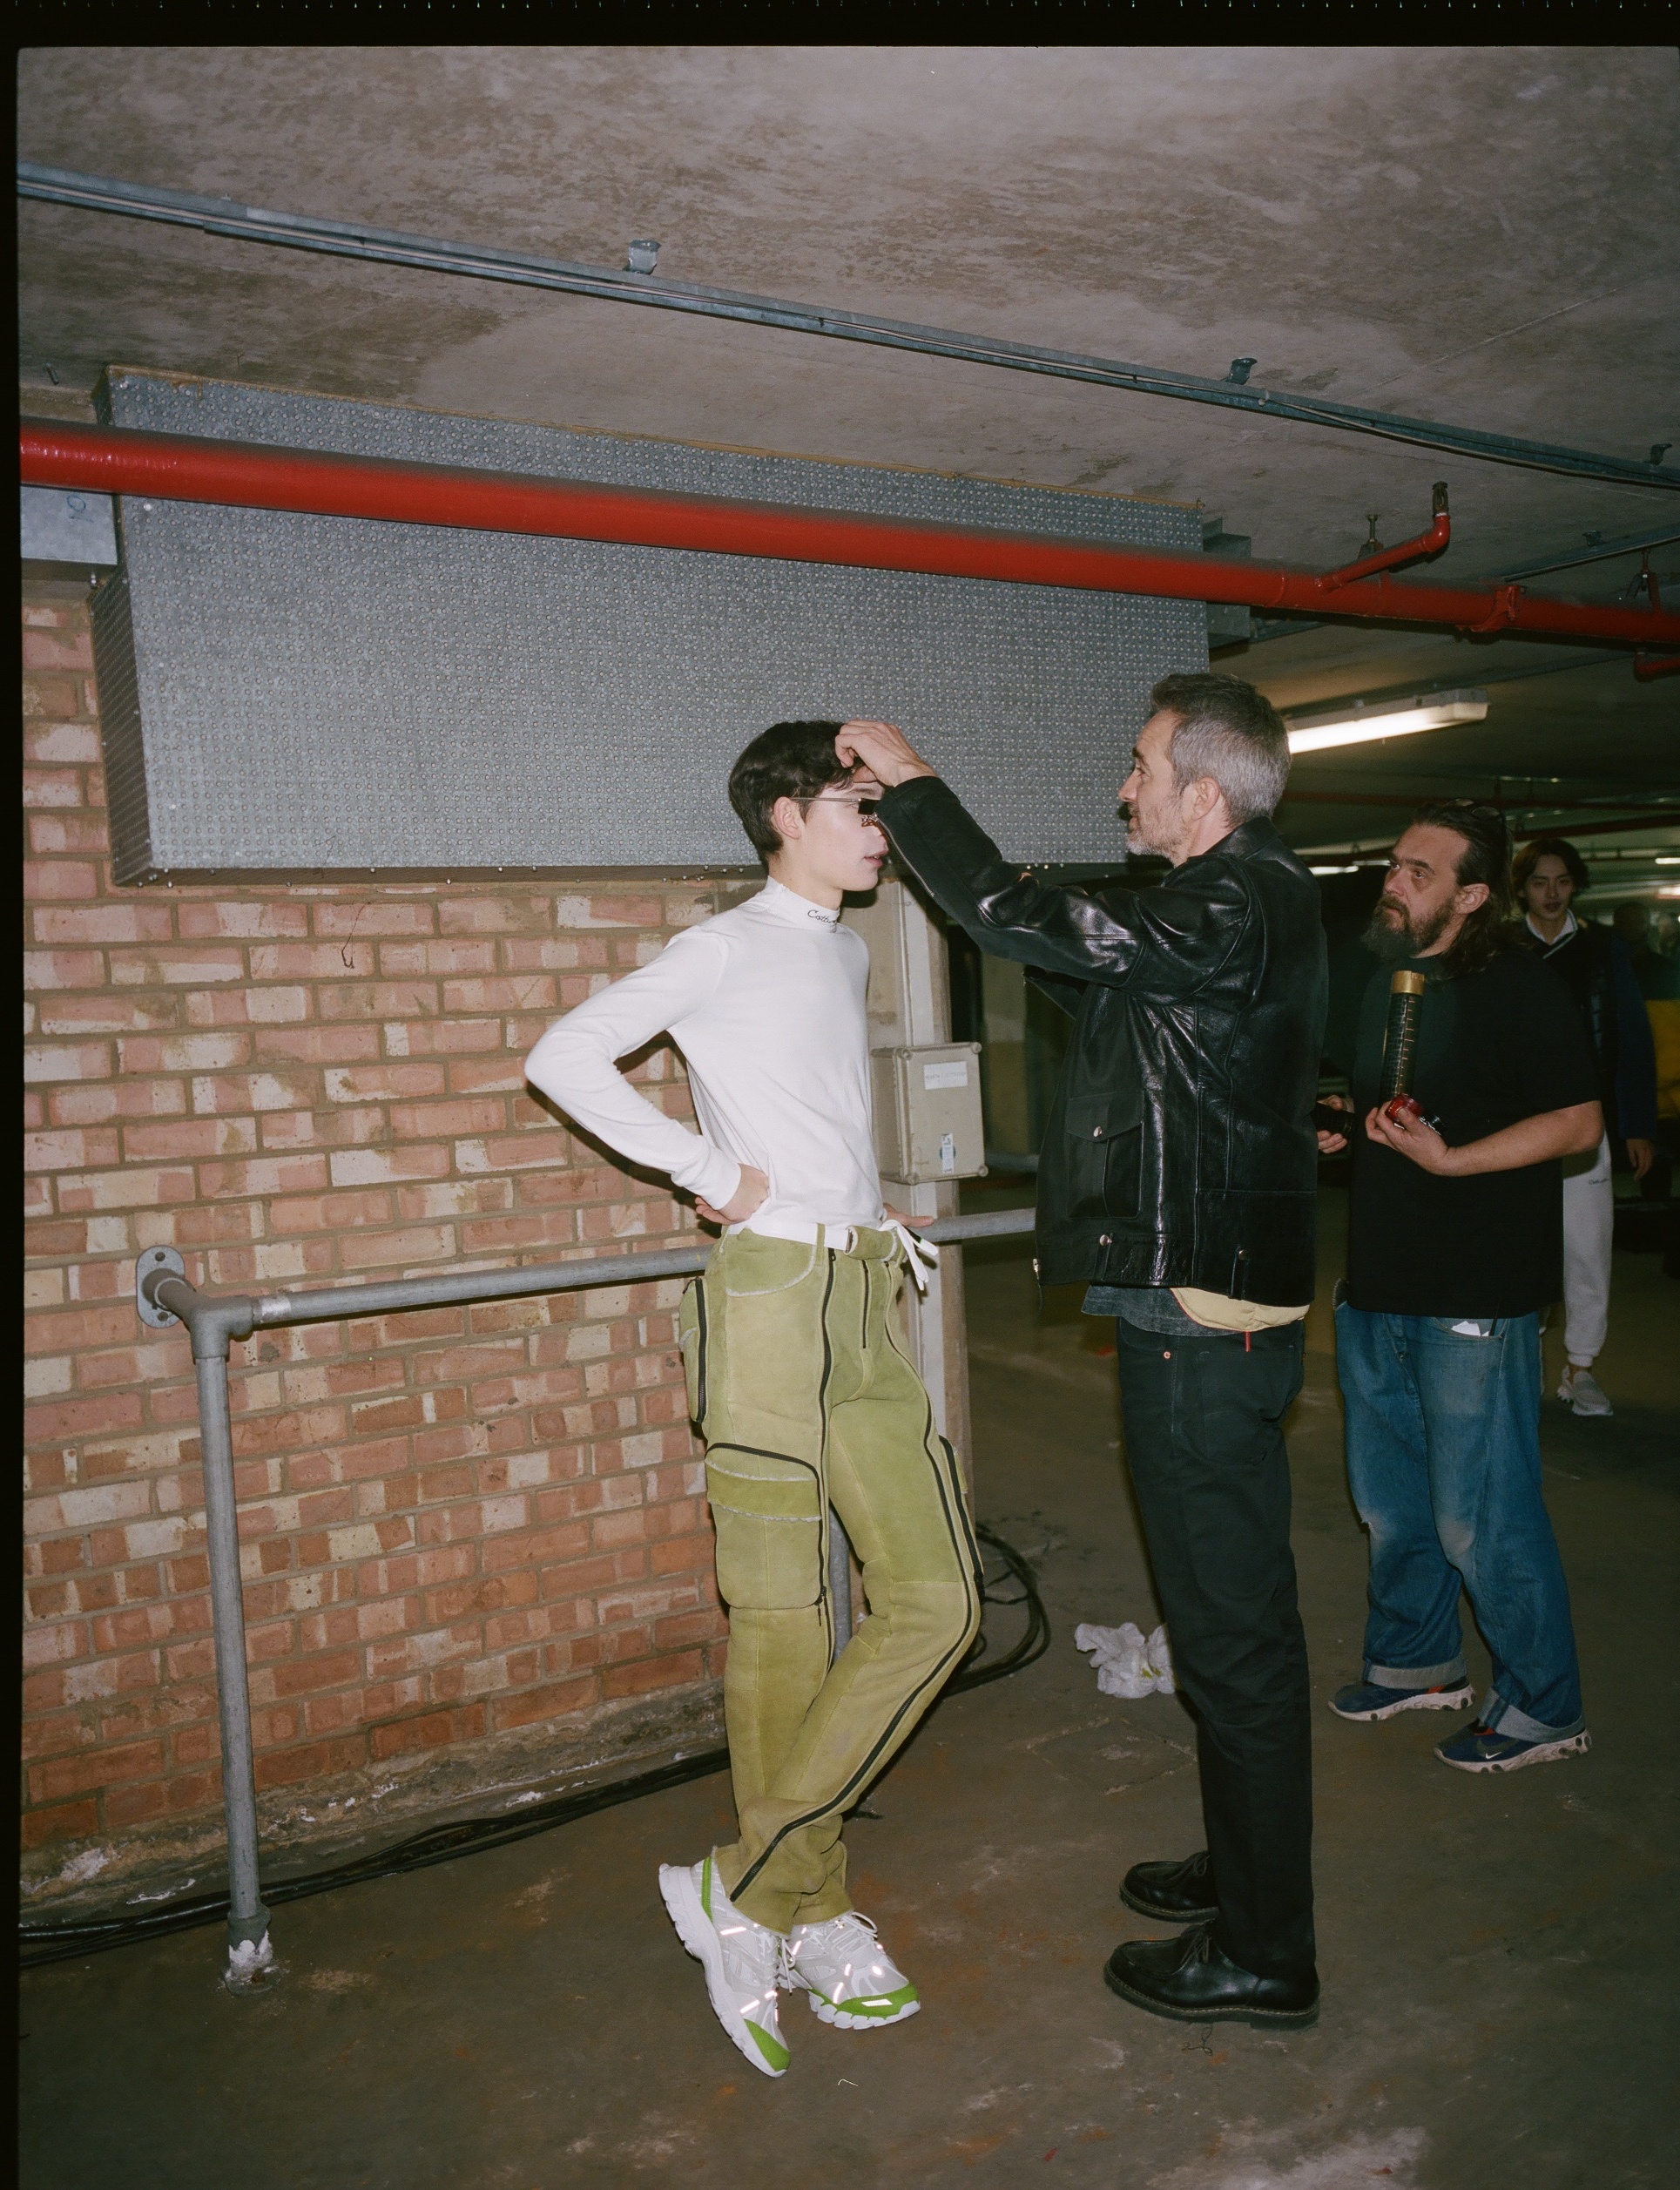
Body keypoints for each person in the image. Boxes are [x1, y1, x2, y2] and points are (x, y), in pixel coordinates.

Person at [840, 673, 1327, 2032]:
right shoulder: (1247, 903)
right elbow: (1106, 988)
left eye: (1139, 767)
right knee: (1227, 1623)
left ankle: (1265, 1952)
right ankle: (1243, 1869)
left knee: (1229, 1641)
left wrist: (916, 786)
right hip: (1211, 1312)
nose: (1123, 788)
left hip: (1201, 1328)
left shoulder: (1229, 900)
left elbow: (1017, 911)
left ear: (1204, 793)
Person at [524, 722, 982, 2079]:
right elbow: (564, 1056)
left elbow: (812, 1110)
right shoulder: (723, 945)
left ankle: (744, 1881)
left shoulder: (843, 949)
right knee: (778, 1617)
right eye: (860, 804)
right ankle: (810, 1902)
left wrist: (860, 1202)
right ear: (785, 813)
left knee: (937, 1600)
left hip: (856, 1284)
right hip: (770, 1297)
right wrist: (709, 1175)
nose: (882, 828)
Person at [1320, 802, 1602, 1775]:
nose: (1394, 883)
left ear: (1473, 896)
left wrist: (1453, 1161)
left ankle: (1544, 1706)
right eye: (1394, 865)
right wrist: (1342, 1120)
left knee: (1481, 1515)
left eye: (1420, 872)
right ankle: (1416, 1662)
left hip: (1474, 1291)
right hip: (1379, 1280)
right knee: (1392, 1504)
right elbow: (1393, 1103)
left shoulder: (1519, 987)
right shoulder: (1388, 982)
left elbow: (1577, 1123)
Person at [1511, 840, 1657, 1416]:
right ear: (1521, 890)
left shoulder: (1604, 948)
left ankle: (1580, 1367)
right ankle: (1523, 1361)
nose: (1551, 893)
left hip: (1586, 1126)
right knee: (1523, 1248)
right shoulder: (1500, 949)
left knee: (1587, 1247)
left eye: (1562, 881)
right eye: (1539, 882)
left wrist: (1638, 1124)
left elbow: (1632, 1038)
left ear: (1575, 886)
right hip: (1516, 1126)